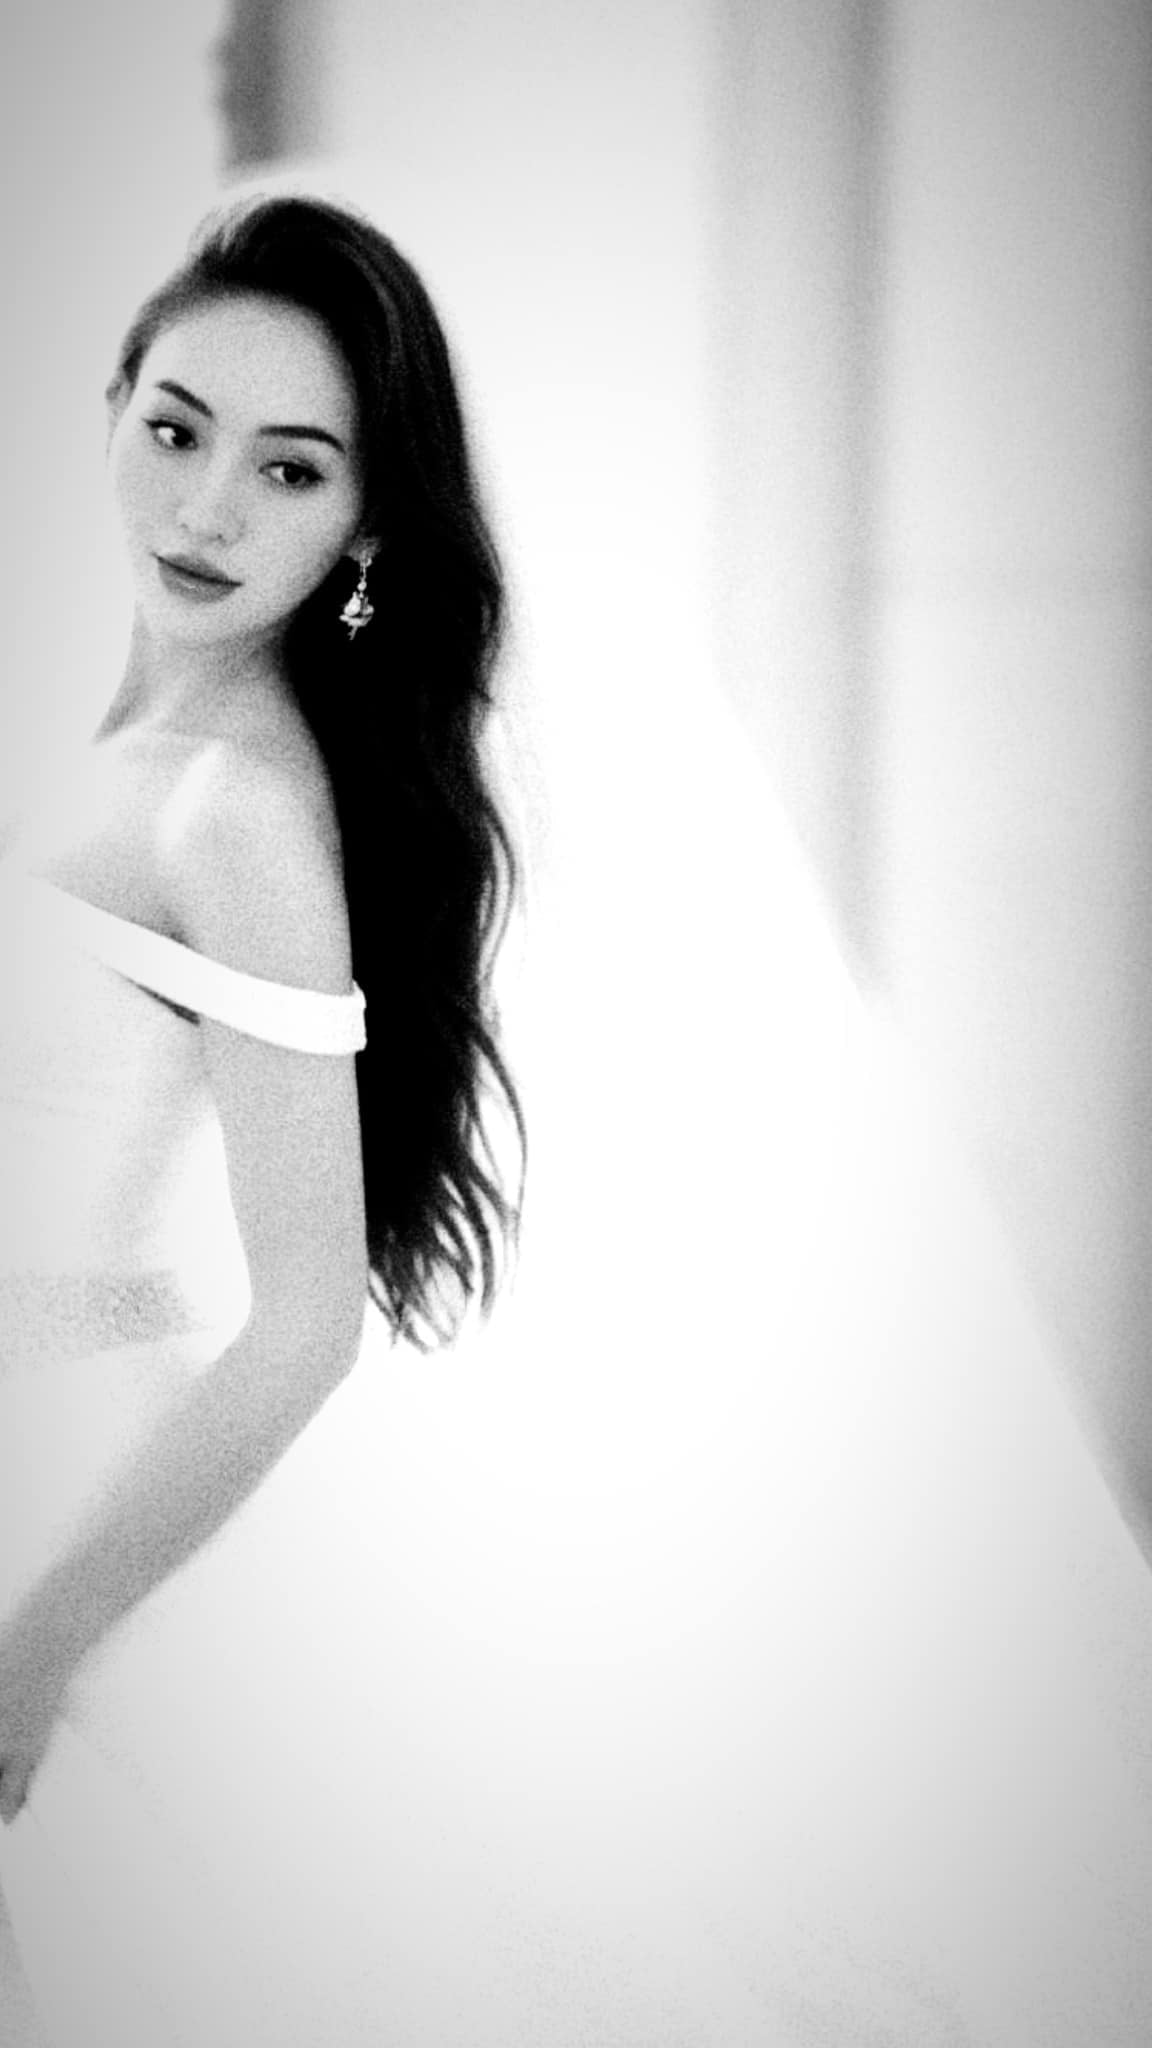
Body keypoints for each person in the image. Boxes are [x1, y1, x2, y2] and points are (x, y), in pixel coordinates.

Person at [0, 190, 522, 2044]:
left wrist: (39, 1644)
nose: (208, 508)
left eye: (290, 469)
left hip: (65, 1507)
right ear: (112, 410)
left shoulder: (232, 814)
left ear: (366, 521)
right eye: (176, 431)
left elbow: (306, 1322)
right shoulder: (106, 739)